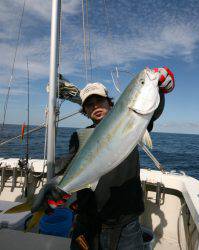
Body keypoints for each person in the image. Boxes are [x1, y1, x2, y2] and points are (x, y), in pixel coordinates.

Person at [33, 67, 175, 250]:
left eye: (99, 100)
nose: (95, 106)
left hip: (126, 222)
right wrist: (56, 184)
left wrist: (160, 90)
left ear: (109, 102)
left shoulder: (135, 121)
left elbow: (152, 110)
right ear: (85, 110)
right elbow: (69, 162)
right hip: (87, 221)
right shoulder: (81, 136)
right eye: (89, 104)